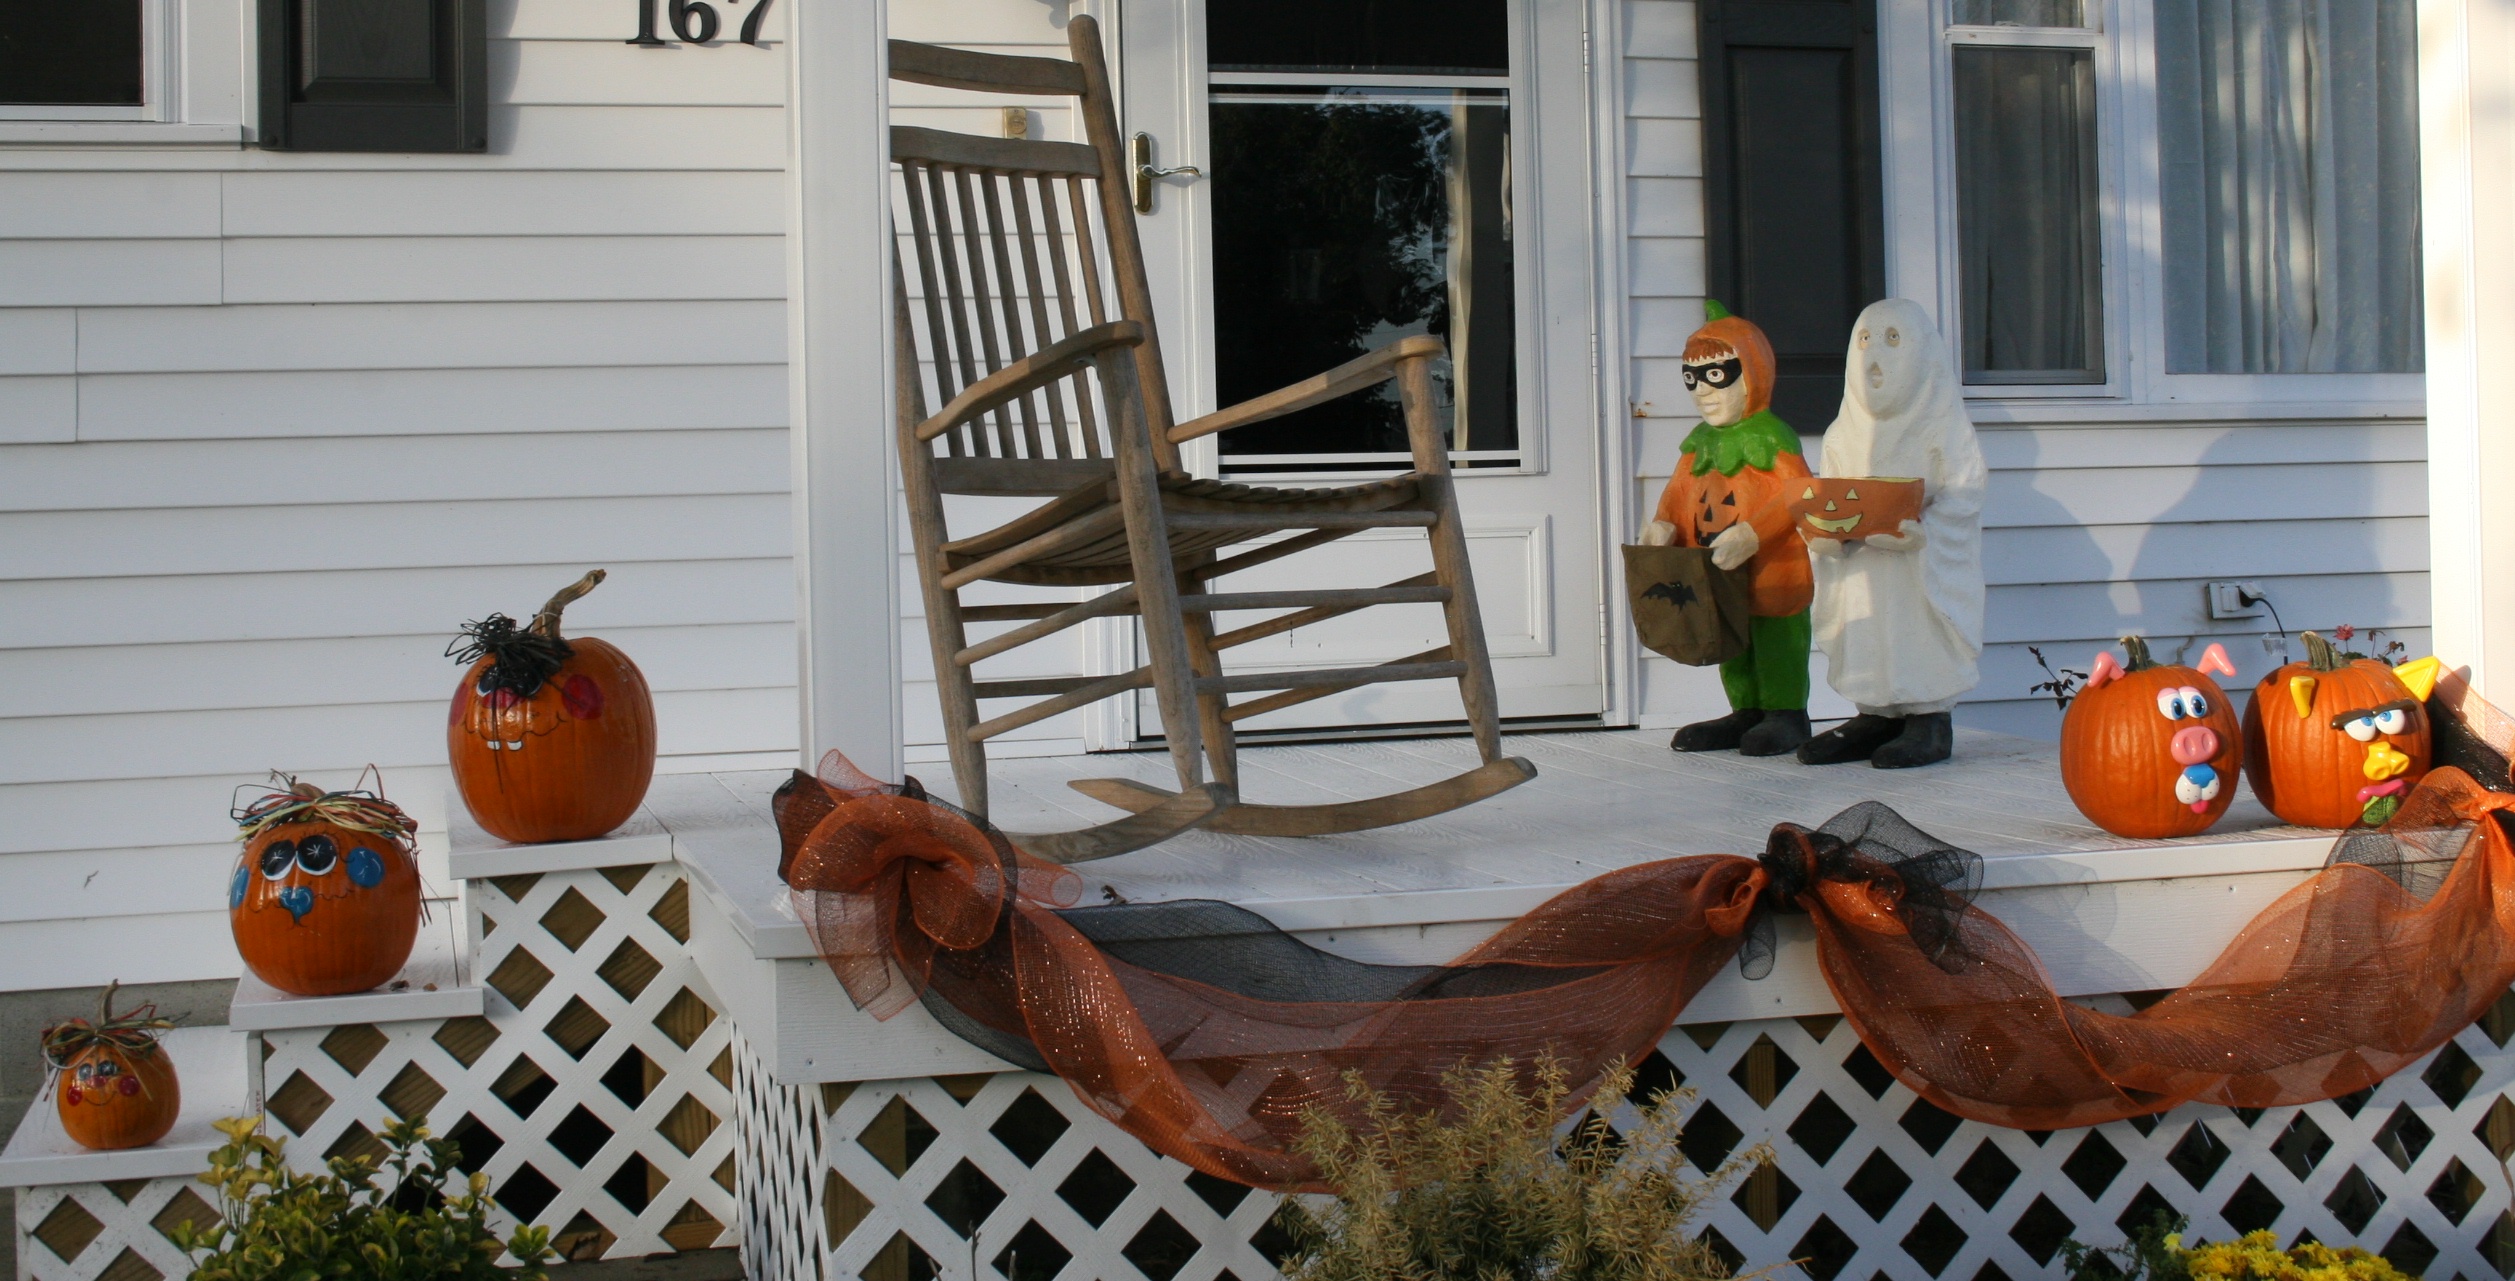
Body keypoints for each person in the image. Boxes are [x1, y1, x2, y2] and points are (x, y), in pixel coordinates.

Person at [1799, 299, 1986, 769]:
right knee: (1865, 622)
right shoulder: (1842, 433)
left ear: (1923, 352)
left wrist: (1926, 534)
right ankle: (1875, 713)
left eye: (1893, 340)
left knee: (1913, 624)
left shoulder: (1944, 427)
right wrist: (1826, 534)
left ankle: (1929, 717)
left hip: (1916, 564)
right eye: (1865, 342)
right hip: (1863, 562)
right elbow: (1832, 496)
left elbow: (1965, 493)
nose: (1875, 358)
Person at [1639, 301, 1813, 757]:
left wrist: (1753, 534)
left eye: (1716, 375)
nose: (1702, 392)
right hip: (1715, 570)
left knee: (1776, 639)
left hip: (1772, 568)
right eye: (1692, 379)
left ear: (1753, 372)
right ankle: (1745, 710)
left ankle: (1786, 713)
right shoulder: (1699, 444)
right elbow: (1679, 492)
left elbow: (1797, 497)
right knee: (1729, 637)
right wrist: (1663, 524)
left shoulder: (1773, 439)